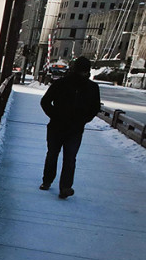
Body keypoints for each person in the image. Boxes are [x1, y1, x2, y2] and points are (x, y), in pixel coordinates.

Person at [39, 56, 101, 199]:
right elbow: (45, 102)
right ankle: (54, 183)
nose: (83, 74)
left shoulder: (86, 87)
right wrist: (82, 119)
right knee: (61, 156)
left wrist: (82, 120)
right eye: (82, 71)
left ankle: (59, 185)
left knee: (62, 156)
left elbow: (95, 108)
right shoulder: (65, 84)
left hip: (67, 127)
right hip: (65, 127)